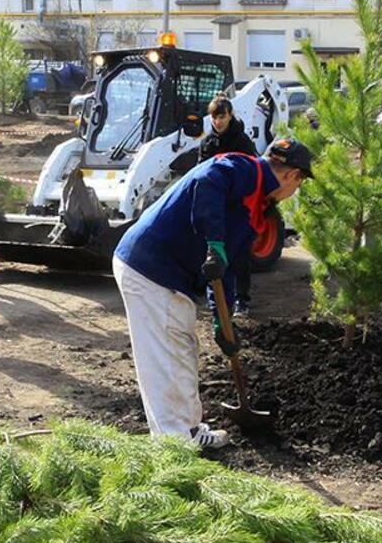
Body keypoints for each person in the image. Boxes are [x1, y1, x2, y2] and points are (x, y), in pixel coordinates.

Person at [112, 139, 312, 448]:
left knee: (183, 347)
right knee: (163, 355)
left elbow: (225, 268)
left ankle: (190, 429)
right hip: (150, 265)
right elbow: (207, 182)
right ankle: (173, 443)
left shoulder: (257, 205)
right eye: (298, 184)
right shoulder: (245, 170)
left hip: (168, 272)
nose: (293, 192)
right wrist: (214, 242)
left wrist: (223, 320)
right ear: (292, 175)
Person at [198, 96, 258, 315]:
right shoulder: (207, 144)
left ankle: (243, 300)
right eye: (214, 117)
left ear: (230, 115)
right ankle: (220, 301)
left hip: (238, 205)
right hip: (216, 208)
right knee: (215, 255)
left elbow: (252, 171)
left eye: (221, 117)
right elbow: (201, 174)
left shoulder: (242, 142)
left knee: (240, 256)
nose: (218, 122)